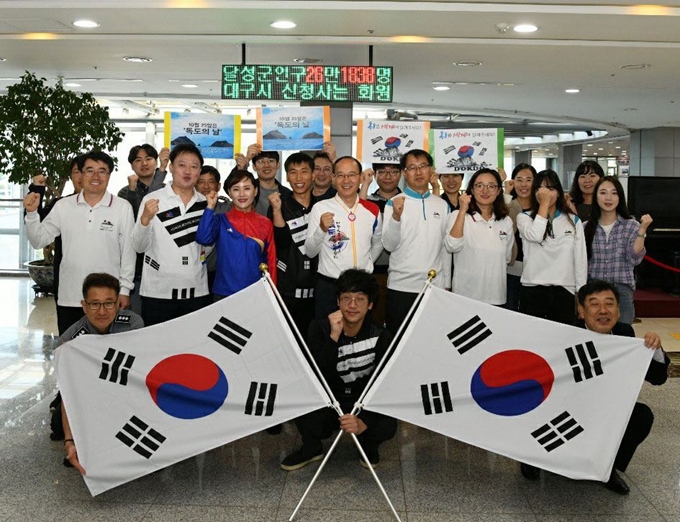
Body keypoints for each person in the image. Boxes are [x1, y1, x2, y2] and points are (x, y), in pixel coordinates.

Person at [520, 280, 669, 495]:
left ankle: (607, 469)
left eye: (609, 304)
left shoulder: (625, 334)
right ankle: (533, 458)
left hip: (605, 409)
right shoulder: (565, 334)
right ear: (581, 311)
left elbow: (658, 378)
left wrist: (654, 350)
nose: (603, 311)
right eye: (594, 304)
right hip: (564, 405)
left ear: (618, 309)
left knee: (642, 416)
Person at [280, 269, 397, 471]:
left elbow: (385, 385)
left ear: (370, 305)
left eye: (360, 299)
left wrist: (363, 421)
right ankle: (312, 447)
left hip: (362, 400)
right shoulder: (319, 328)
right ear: (338, 302)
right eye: (346, 298)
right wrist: (333, 338)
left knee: (388, 422)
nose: (352, 305)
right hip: (329, 399)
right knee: (300, 400)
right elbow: (316, 375)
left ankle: (368, 445)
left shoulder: (381, 336)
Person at [24, 150, 136, 334]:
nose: (95, 176)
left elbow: (128, 252)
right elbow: (38, 240)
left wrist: (124, 290)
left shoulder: (122, 208)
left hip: (106, 300)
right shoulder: (63, 206)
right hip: (70, 296)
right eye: (89, 170)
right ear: (80, 175)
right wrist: (31, 214)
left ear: (109, 175)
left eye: (102, 171)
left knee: (104, 355)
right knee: (70, 353)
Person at [60, 273, 144, 474]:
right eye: (94, 304)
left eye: (108, 303)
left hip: (127, 391)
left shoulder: (133, 325)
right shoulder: (70, 340)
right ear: (84, 305)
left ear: (118, 304)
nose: (102, 311)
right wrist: (70, 441)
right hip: (90, 398)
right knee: (61, 424)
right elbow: (69, 392)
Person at [131, 144, 212, 326]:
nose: (187, 171)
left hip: (196, 292)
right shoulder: (153, 199)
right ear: (171, 167)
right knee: (158, 350)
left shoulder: (205, 204)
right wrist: (144, 219)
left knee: (192, 349)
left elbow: (208, 246)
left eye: (194, 166)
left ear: (199, 171)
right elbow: (138, 246)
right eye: (182, 165)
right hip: (158, 293)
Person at [382, 149, 450, 335]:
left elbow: (445, 248)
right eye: (412, 168)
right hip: (400, 287)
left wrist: (446, 284)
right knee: (397, 343)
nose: (418, 172)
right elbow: (388, 245)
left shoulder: (442, 205)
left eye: (422, 167)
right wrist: (396, 216)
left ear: (431, 170)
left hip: (433, 289)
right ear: (404, 173)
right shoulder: (394, 203)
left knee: (430, 341)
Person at [305, 156, 383, 319]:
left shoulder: (372, 210)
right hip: (330, 286)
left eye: (352, 175)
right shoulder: (321, 208)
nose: (346, 180)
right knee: (327, 338)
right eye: (340, 175)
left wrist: (368, 262)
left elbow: (378, 242)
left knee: (360, 340)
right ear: (333, 178)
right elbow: (310, 251)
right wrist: (321, 229)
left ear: (361, 178)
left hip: (362, 286)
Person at [517, 169, 587, 325]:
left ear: (559, 192)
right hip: (533, 288)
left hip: (564, 289)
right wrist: (543, 205)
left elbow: (580, 262)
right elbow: (535, 235)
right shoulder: (524, 218)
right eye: (540, 189)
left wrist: (580, 296)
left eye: (551, 189)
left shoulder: (573, 220)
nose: (546, 193)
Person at [196, 169, 277, 299]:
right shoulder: (221, 220)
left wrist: (272, 294)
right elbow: (203, 238)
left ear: (255, 191)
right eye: (236, 189)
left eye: (247, 188)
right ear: (229, 193)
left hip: (256, 292)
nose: (242, 194)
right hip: (223, 293)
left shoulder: (265, 223)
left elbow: (270, 261)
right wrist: (210, 207)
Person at [584, 176, 652, 324]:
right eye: (603, 193)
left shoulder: (631, 225)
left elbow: (634, 258)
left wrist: (642, 230)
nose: (608, 197)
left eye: (614, 193)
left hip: (621, 292)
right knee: (596, 339)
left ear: (620, 197)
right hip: (594, 291)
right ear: (595, 197)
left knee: (623, 336)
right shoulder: (585, 227)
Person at [445, 168, 514, 305]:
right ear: (472, 189)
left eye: (491, 186)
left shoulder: (506, 221)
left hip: (496, 297)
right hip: (465, 297)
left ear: (499, 190)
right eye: (479, 185)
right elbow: (452, 245)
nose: (485, 191)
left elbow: (506, 257)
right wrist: (462, 210)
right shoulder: (458, 216)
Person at [268, 152, 319, 337]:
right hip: (286, 288)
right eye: (293, 172)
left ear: (313, 175)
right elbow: (280, 242)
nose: (299, 178)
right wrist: (276, 210)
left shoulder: (322, 206)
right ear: (287, 176)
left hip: (316, 290)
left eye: (304, 171)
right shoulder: (279, 204)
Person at [504, 163, 537, 311]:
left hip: (536, 272)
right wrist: (506, 195)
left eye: (528, 179)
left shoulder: (541, 207)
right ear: (513, 182)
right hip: (511, 271)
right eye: (519, 179)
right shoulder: (508, 204)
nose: (524, 184)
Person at [196, 165, 231, 292]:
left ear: (218, 186)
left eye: (211, 182)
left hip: (219, 273)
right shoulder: (188, 209)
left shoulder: (227, 209)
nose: (206, 186)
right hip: (193, 272)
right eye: (201, 182)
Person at [235, 143, 292, 216]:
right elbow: (231, 186)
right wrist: (246, 161)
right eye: (261, 161)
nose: (266, 165)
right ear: (254, 167)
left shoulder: (287, 194)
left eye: (271, 161)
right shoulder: (247, 189)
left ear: (278, 165)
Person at [118, 144, 170, 219]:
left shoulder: (167, 190)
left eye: (148, 159)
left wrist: (162, 167)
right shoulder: (125, 192)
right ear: (132, 166)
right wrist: (132, 191)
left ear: (156, 163)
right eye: (138, 160)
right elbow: (135, 217)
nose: (144, 163)